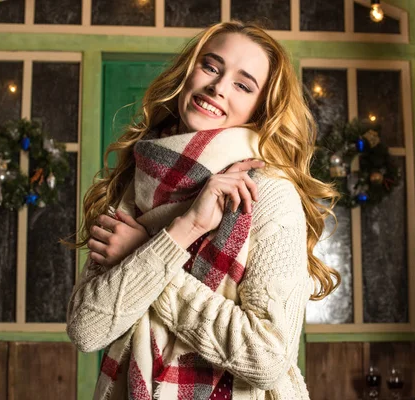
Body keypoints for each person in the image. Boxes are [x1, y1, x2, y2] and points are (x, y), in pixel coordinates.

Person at [66, 20, 340, 400]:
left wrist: (141, 251)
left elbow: (268, 358)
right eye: (211, 67)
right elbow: (87, 329)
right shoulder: (141, 182)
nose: (218, 87)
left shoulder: (270, 195)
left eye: (243, 85)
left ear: (260, 109)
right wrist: (183, 229)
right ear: (188, 72)